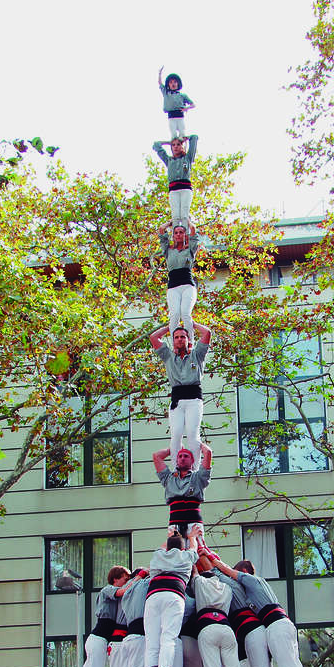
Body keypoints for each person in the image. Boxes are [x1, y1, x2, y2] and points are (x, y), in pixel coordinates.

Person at [210, 557, 318, 667]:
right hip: (280, 625)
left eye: (237, 574)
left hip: (275, 625)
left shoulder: (251, 580)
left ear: (244, 572)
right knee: (293, 665)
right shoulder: (258, 587)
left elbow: (227, 571)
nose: (234, 577)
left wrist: (214, 561)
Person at [63, 566, 133, 667]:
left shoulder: (115, 596)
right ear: (115, 579)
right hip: (98, 640)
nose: (127, 582)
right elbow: (122, 591)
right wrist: (138, 578)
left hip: (99, 641)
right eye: (125, 579)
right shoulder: (107, 590)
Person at [189, 553, 249, 667]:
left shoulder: (200, 582)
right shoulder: (226, 587)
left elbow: (194, 572)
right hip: (226, 629)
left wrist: (194, 559)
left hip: (208, 628)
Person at [150, 321, 211, 467]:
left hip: (194, 399)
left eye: (183, 337)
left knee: (192, 434)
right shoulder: (168, 356)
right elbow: (153, 338)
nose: (179, 340)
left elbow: (207, 333)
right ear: (173, 340)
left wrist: (193, 324)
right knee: (176, 434)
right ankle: (176, 468)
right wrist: (170, 327)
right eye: (176, 337)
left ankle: (194, 469)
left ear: (188, 339)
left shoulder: (197, 355)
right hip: (177, 399)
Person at [143, 532, 198, 667]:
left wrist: (169, 535)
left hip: (153, 596)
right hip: (174, 594)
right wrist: (192, 537)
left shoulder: (158, 555)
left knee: (152, 639)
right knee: (169, 636)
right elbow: (194, 547)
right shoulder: (186, 556)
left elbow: (162, 547)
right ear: (182, 548)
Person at [153, 444, 212, 540]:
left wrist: (197, 443)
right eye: (180, 456)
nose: (183, 458)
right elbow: (157, 456)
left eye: (186, 456)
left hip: (194, 524)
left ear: (192, 461)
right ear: (176, 460)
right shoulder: (168, 478)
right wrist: (173, 448)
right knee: (175, 553)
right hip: (175, 525)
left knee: (197, 552)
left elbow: (208, 453)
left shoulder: (198, 478)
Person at [158, 221, 199, 342]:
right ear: (173, 235)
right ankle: (175, 343)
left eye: (181, 232)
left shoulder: (190, 250)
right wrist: (171, 222)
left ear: (185, 235)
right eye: (176, 233)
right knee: (174, 315)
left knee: (185, 314)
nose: (178, 234)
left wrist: (186, 220)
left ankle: (190, 342)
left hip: (187, 285)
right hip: (173, 287)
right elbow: (161, 229)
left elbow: (193, 229)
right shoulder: (168, 250)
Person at [153, 136, 198, 232]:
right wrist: (168, 142)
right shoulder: (169, 160)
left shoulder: (188, 158)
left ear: (182, 146)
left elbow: (194, 138)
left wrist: (185, 138)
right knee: (176, 216)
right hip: (173, 190)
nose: (176, 147)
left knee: (184, 215)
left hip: (185, 189)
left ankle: (186, 238)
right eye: (173, 145)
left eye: (178, 144)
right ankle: (176, 239)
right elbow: (156, 145)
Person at [157, 68, 195, 139]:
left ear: (178, 83)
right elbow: (160, 83)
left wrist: (186, 108)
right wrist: (160, 74)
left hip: (180, 116)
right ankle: (174, 147)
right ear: (168, 84)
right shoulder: (166, 93)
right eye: (171, 82)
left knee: (182, 134)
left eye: (175, 82)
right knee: (173, 134)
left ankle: (182, 147)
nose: (173, 84)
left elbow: (193, 105)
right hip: (171, 116)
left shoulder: (182, 95)